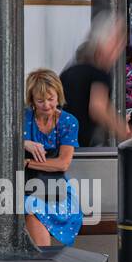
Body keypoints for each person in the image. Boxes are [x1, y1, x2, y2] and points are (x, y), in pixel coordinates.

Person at [22, 69, 83, 247]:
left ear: (59, 95)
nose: (47, 105)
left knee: (32, 206)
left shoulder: (68, 121)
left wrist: (26, 162)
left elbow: (63, 164)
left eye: (51, 99)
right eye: (40, 101)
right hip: (22, 186)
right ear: (32, 100)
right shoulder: (21, 118)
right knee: (30, 205)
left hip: (56, 188)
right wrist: (23, 143)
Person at [60, 15, 132, 147]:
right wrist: (125, 133)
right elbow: (98, 108)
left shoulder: (72, 69)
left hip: (57, 142)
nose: (119, 49)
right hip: (76, 144)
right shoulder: (97, 73)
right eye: (116, 42)